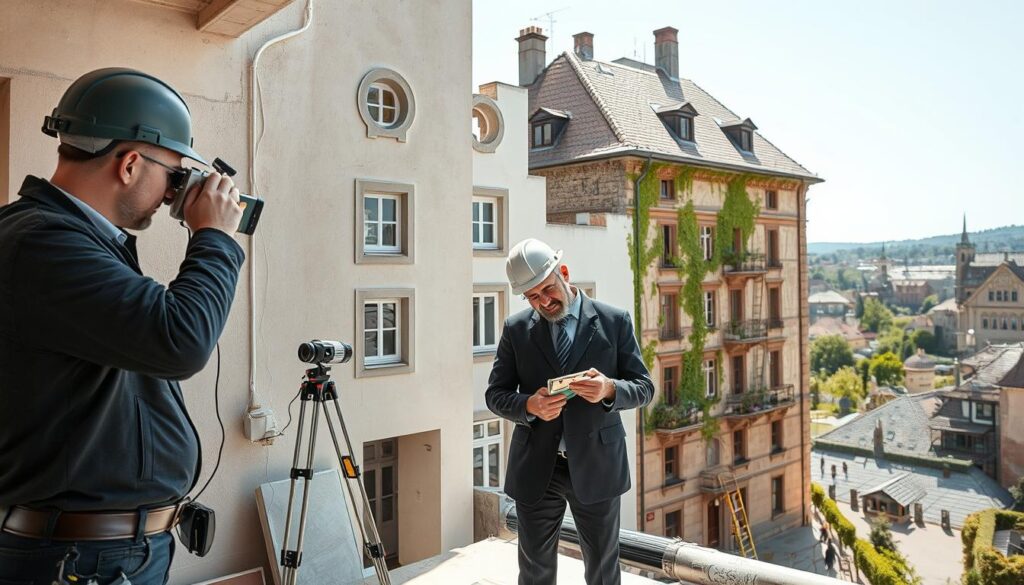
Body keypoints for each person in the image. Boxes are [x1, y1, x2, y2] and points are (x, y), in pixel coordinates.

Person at [0, 68, 244, 584]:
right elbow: (180, 340)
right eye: (176, 176)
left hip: (95, 553)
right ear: (131, 164)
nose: (173, 193)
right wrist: (216, 237)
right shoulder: (44, 244)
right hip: (76, 560)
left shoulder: (70, 240)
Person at [486, 238, 654, 585]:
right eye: (533, 297)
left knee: (603, 571)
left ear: (564, 273)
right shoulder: (516, 329)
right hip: (537, 468)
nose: (544, 301)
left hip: (597, 465)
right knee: (534, 571)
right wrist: (528, 405)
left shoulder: (614, 321)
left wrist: (609, 389)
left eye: (548, 289)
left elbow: (644, 387)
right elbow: (495, 395)